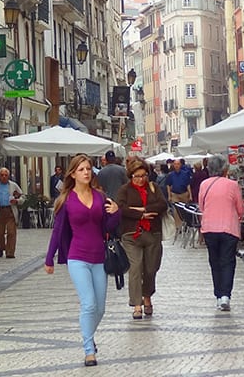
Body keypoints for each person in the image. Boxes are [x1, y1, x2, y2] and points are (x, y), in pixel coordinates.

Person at [45, 154, 120, 367]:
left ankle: (89, 335)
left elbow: (109, 226)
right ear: (72, 174)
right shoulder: (66, 200)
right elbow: (58, 231)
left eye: (88, 168)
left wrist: (116, 212)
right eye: (81, 169)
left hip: (99, 257)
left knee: (100, 308)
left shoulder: (100, 196)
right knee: (88, 304)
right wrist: (49, 258)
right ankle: (88, 349)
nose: (86, 172)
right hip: (77, 257)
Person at [115, 156, 168, 320]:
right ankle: (137, 304)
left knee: (151, 269)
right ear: (131, 176)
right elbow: (121, 209)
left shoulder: (154, 188)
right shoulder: (124, 190)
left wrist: (142, 208)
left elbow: (162, 205)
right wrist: (141, 214)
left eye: (143, 175)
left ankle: (147, 296)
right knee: (136, 267)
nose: (140, 179)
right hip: (131, 234)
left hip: (153, 234)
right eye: (137, 176)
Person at [198, 154, 244, 312]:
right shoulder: (232, 185)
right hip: (228, 228)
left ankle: (218, 295)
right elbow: (240, 208)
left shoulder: (204, 184)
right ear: (225, 169)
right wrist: (240, 215)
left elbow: (201, 206)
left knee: (214, 261)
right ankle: (225, 295)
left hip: (209, 227)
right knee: (228, 261)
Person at [0, 167, 23, 259]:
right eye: (2, 175)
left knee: (11, 232)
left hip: (10, 210)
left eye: (6, 175)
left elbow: (22, 196)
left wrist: (17, 201)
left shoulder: (13, 185)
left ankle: (10, 252)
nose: (4, 177)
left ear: (9, 176)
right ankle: (1, 247)